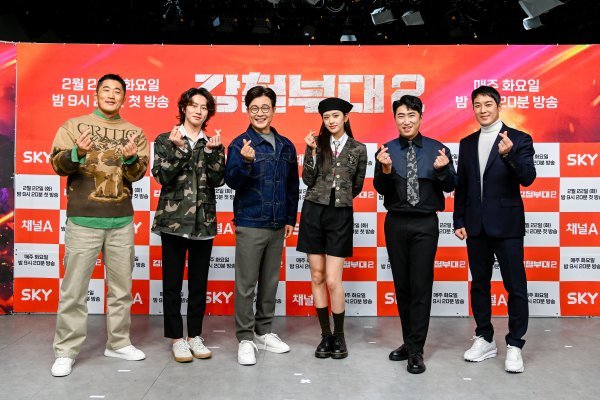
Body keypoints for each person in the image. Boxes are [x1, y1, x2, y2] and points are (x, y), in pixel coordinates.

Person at [50, 73, 148, 377]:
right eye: (106, 89)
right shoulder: (73, 126)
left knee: (121, 290)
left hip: (121, 221)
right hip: (83, 219)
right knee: (74, 291)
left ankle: (118, 343)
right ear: (96, 94)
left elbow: (139, 174)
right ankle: (66, 351)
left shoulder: (135, 133)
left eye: (117, 91)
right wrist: (77, 152)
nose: (111, 94)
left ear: (124, 98)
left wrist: (130, 160)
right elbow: (57, 165)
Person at [453, 85, 536, 373]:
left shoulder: (519, 139)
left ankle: (515, 344)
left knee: (515, 286)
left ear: (499, 106)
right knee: (479, 284)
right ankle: (485, 337)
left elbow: (528, 178)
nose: (483, 109)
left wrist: (510, 155)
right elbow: (463, 184)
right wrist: (459, 219)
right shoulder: (466, 143)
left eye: (488, 104)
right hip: (476, 225)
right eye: (477, 105)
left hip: (507, 224)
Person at [374, 95, 457, 374]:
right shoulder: (386, 150)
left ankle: (416, 350)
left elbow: (450, 185)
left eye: (411, 115)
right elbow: (381, 188)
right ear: (395, 119)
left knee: (420, 285)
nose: (406, 121)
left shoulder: (438, 149)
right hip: (395, 223)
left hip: (425, 224)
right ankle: (409, 342)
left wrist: (442, 170)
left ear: (421, 117)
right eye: (401, 115)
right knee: (402, 286)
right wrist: (385, 170)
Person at [224, 86, 299, 365]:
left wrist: (290, 218)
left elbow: (292, 186)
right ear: (247, 111)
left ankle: (263, 332)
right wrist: (245, 162)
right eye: (254, 108)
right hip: (251, 222)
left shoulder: (287, 145)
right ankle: (245, 338)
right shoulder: (239, 144)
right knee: (246, 284)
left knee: (269, 282)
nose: (260, 113)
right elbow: (232, 181)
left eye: (265, 108)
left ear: (274, 110)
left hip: (278, 224)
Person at [151, 87, 225, 363]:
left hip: (203, 222)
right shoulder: (166, 139)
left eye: (204, 107)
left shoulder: (212, 143)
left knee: (198, 284)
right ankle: (176, 338)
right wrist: (180, 150)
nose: (198, 110)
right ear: (184, 108)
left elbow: (218, 180)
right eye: (193, 105)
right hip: (173, 222)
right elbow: (162, 176)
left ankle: (195, 335)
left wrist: (215, 153)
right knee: (172, 283)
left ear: (208, 113)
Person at [297, 97, 367, 360]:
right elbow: (307, 179)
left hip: (340, 215)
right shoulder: (316, 143)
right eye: (326, 117)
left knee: (333, 279)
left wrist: (339, 198)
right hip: (313, 212)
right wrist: (311, 152)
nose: (331, 121)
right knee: (317, 276)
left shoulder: (358, 149)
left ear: (346, 117)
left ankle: (339, 336)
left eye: (335, 116)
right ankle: (325, 335)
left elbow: (357, 185)